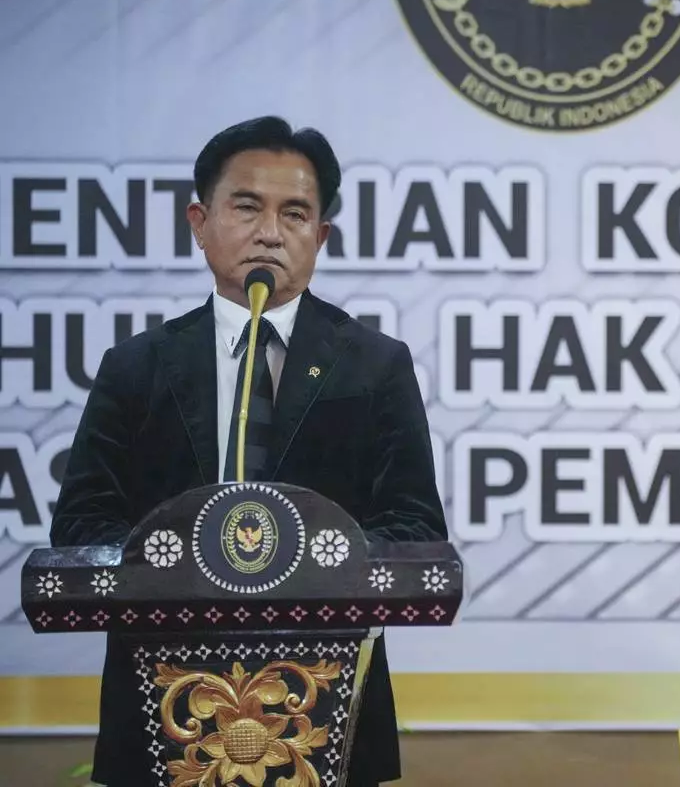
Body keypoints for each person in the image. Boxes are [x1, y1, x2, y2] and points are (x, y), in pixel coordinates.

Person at [49, 116, 446, 787]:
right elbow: (82, 528)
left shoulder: (375, 366)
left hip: (319, 707)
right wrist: (180, 562)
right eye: (246, 206)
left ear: (319, 238)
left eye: (295, 213)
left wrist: (309, 562)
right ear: (199, 222)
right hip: (164, 704)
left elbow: (414, 529)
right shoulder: (136, 368)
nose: (270, 230)